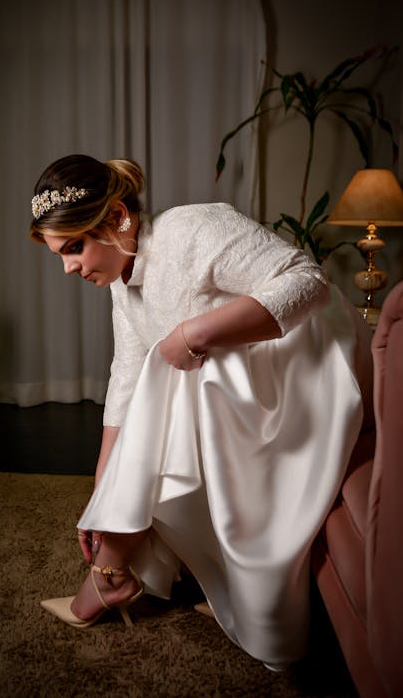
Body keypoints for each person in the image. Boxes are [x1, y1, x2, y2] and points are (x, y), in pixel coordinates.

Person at [30, 153, 372, 669]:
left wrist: (193, 333)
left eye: (74, 248)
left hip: (316, 369)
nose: (69, 267)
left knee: (178, 369)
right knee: (162, 373)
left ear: (119, 217)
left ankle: (110, 574)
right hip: (242, 387)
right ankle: (114, 562)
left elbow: (309, 282)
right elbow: (125, 377)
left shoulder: (192, 227)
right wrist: (102, 492)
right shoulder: (124, 285)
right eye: (59, 254)